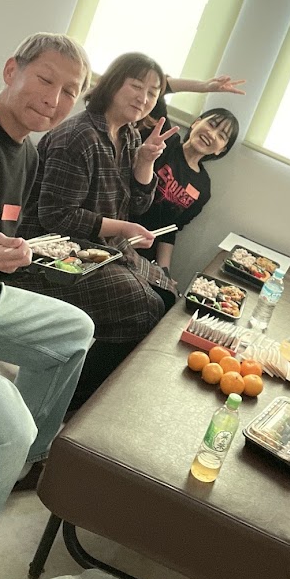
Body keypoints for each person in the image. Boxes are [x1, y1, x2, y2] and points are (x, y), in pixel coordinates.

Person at [0, 33, 95, 549]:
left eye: (70, 91)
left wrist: (11, 253)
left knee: (75, 330)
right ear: (11, 70)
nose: (54, 99)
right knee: (8, 429)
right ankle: (5, 451)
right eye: (45, 79)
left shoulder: (27, 154)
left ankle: (19, 466)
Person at [18, 52, 179, 405]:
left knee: (169, 294)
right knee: (143, 308)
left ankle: (92, 392)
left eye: (153, 92)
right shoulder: (78, 136)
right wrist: (123, 227)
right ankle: (78, 404)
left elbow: (139, 205)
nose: (144, 97)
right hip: (51, 257)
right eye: (136, 86)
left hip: (101, 248)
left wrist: (145, 162)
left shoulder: (130, 136)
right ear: (113, 83)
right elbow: (56, 217)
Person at [141, 107, 240, 272]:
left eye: (221, 136)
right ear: (196, 123)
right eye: (212, 124)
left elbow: (169, 230)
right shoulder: (168, 143)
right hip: (119, 226)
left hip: (144, 251)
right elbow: (159, 97)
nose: (212, 134)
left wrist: (164, 272)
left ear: (221, 150)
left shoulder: (203, 188)